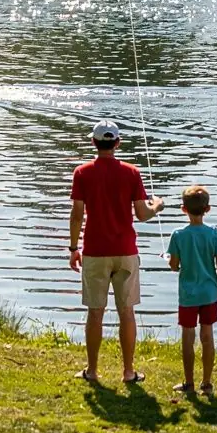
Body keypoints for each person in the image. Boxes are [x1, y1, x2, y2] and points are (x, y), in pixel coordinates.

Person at [69, 119, 164, 385]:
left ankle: (92, 371)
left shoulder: (82, 172)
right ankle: (128, 372)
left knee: (95, 312)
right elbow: (143, 214)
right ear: (118, 143)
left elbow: (77, 214)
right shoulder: (132, 172)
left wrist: (74, 248)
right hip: (125, 252)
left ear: (93, 142)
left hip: (95, 252)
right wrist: (157, 205)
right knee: (127, 312)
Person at [168, 185, 217, 395]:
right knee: (207, 335)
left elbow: (174, 266)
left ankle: (189, 383)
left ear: (183, 209)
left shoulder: (178, 235)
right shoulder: (214, 233)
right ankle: (207, 383)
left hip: (188, 295)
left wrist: (170, 261)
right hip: (210, 292)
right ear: (207, 209)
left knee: (188, 336)